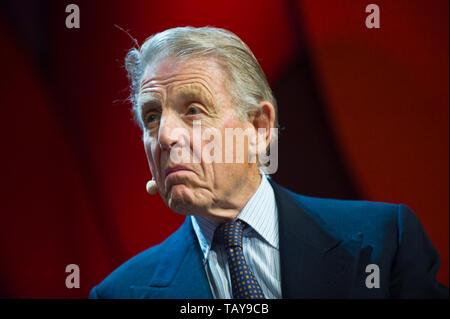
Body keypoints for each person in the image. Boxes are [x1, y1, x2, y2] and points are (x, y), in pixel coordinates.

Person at [89, 26, 448, 299]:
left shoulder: (383, 242)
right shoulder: (120, 293)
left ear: (259, 127)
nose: (165, 137)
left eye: (194, 110)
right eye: (152, 117)